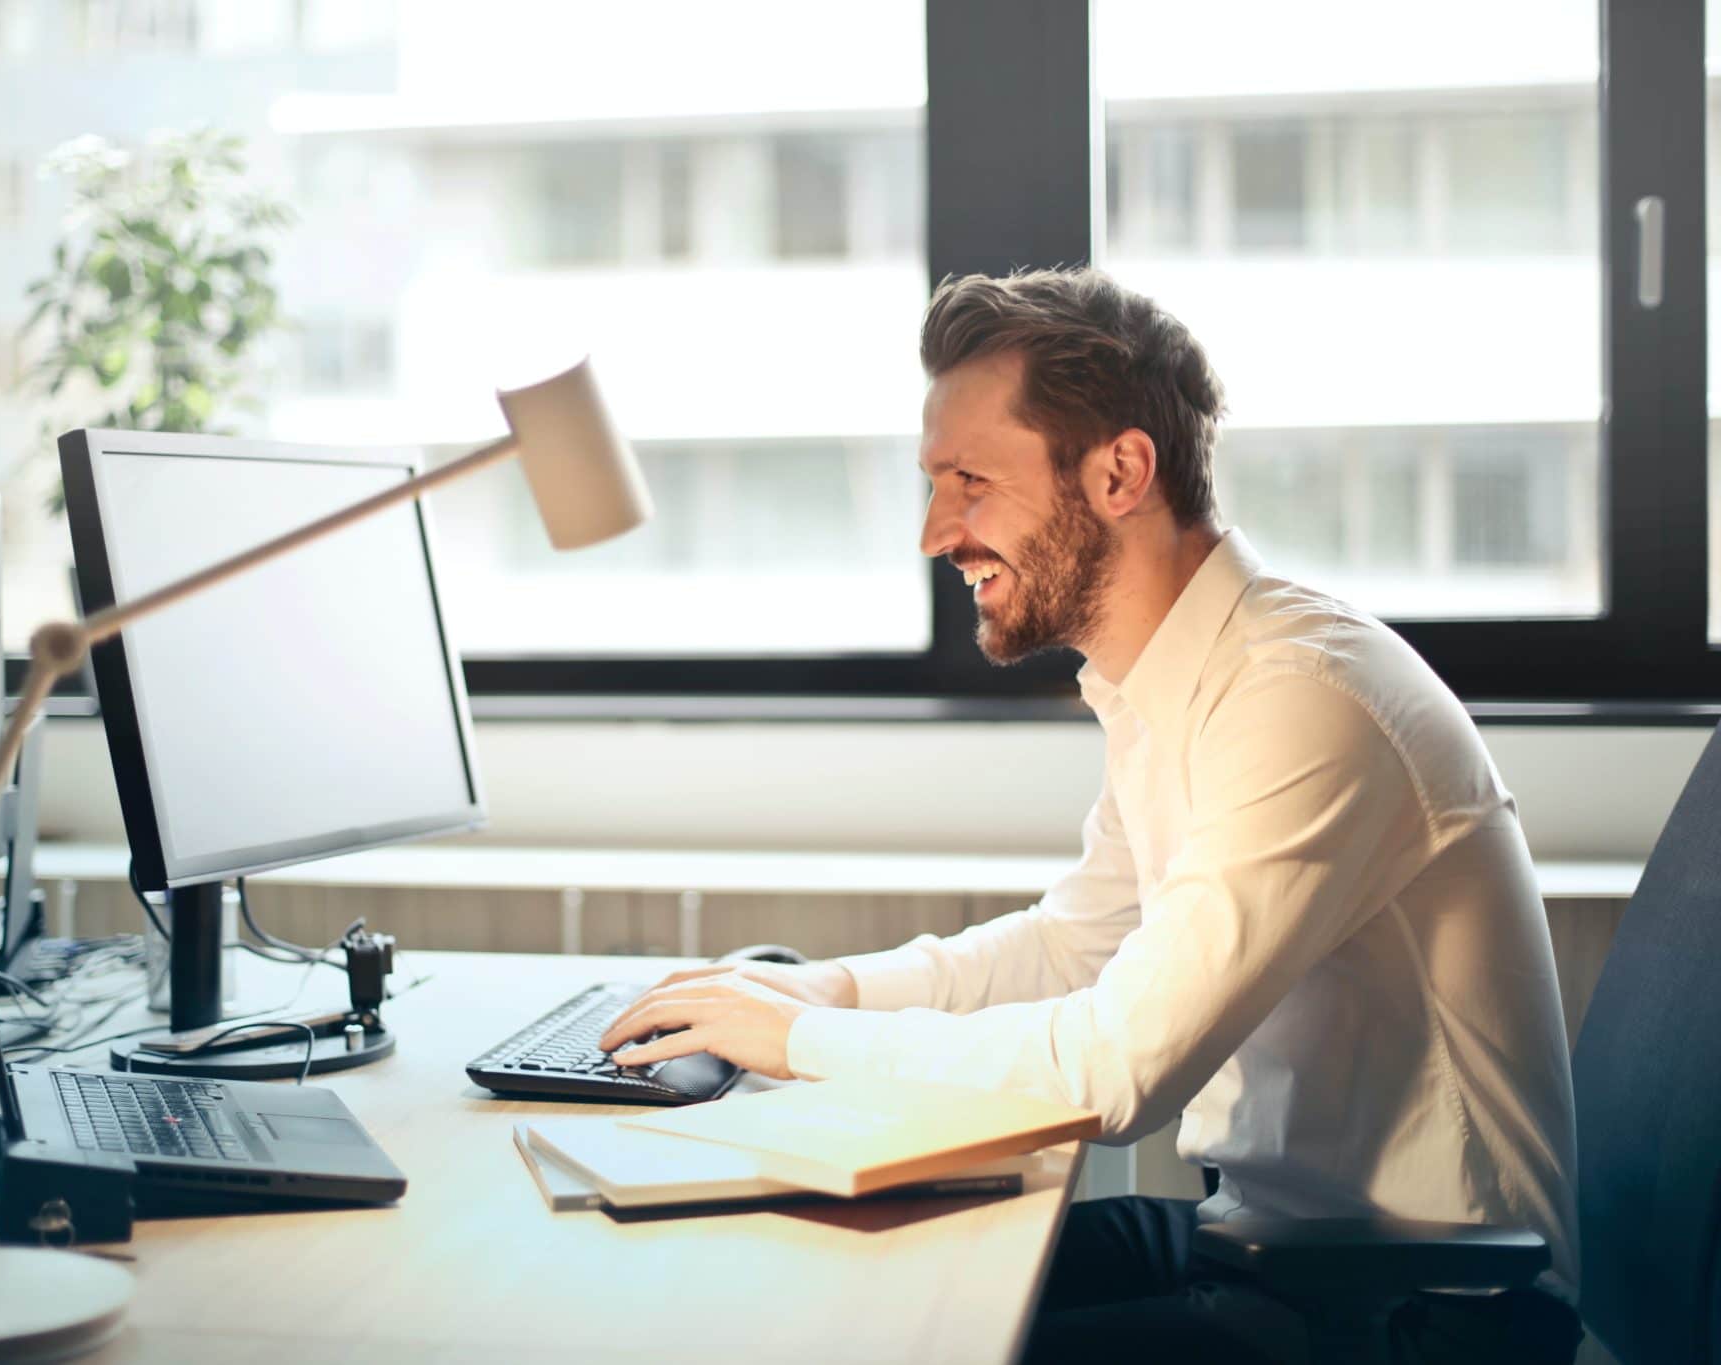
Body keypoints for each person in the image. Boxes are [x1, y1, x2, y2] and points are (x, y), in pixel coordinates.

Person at [598, 268, 1583, 1364]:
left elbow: (1117, 1070)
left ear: (1119, 471)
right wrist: (825, 989)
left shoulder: (1302, 699)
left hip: (1420, 1311)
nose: (934, 533)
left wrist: (796, 1041)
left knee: (879, 1336)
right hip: (1271, 1249)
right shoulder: (1169, 680)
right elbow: (1076, 946)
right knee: (814, 1282)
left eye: (969, 480)